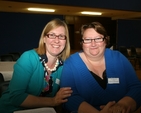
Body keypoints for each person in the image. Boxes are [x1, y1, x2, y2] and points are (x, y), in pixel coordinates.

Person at [60, 22, 141, 113]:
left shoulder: (119, 58)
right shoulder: (71, 63)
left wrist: (123, 105)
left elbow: (136, 87)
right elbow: (69, 97)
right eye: (88, 40)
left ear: (105, 41)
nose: (93, 44)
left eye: (98, 38)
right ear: (82, 43)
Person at [0, 18, 73, 113]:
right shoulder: (28, 58)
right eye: (52, 35)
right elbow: (16, 98)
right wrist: (53, 101)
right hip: (12, 109)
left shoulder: (64, 65)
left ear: (66, 41)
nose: (57, 40)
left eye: (61, 36)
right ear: (44, 39)